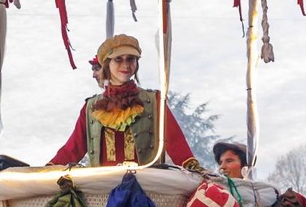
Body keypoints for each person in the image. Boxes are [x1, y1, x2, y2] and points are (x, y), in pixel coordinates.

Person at [49, 34, 202, 169]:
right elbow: (73, 149)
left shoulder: (154, 101)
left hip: (146, 188)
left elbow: (176, 143)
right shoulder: (90, 107)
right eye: (118, 59)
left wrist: (192, 166)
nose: (126, 65)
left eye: (131, 59)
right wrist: (48, 168)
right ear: (107, 63)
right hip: (103, 191)